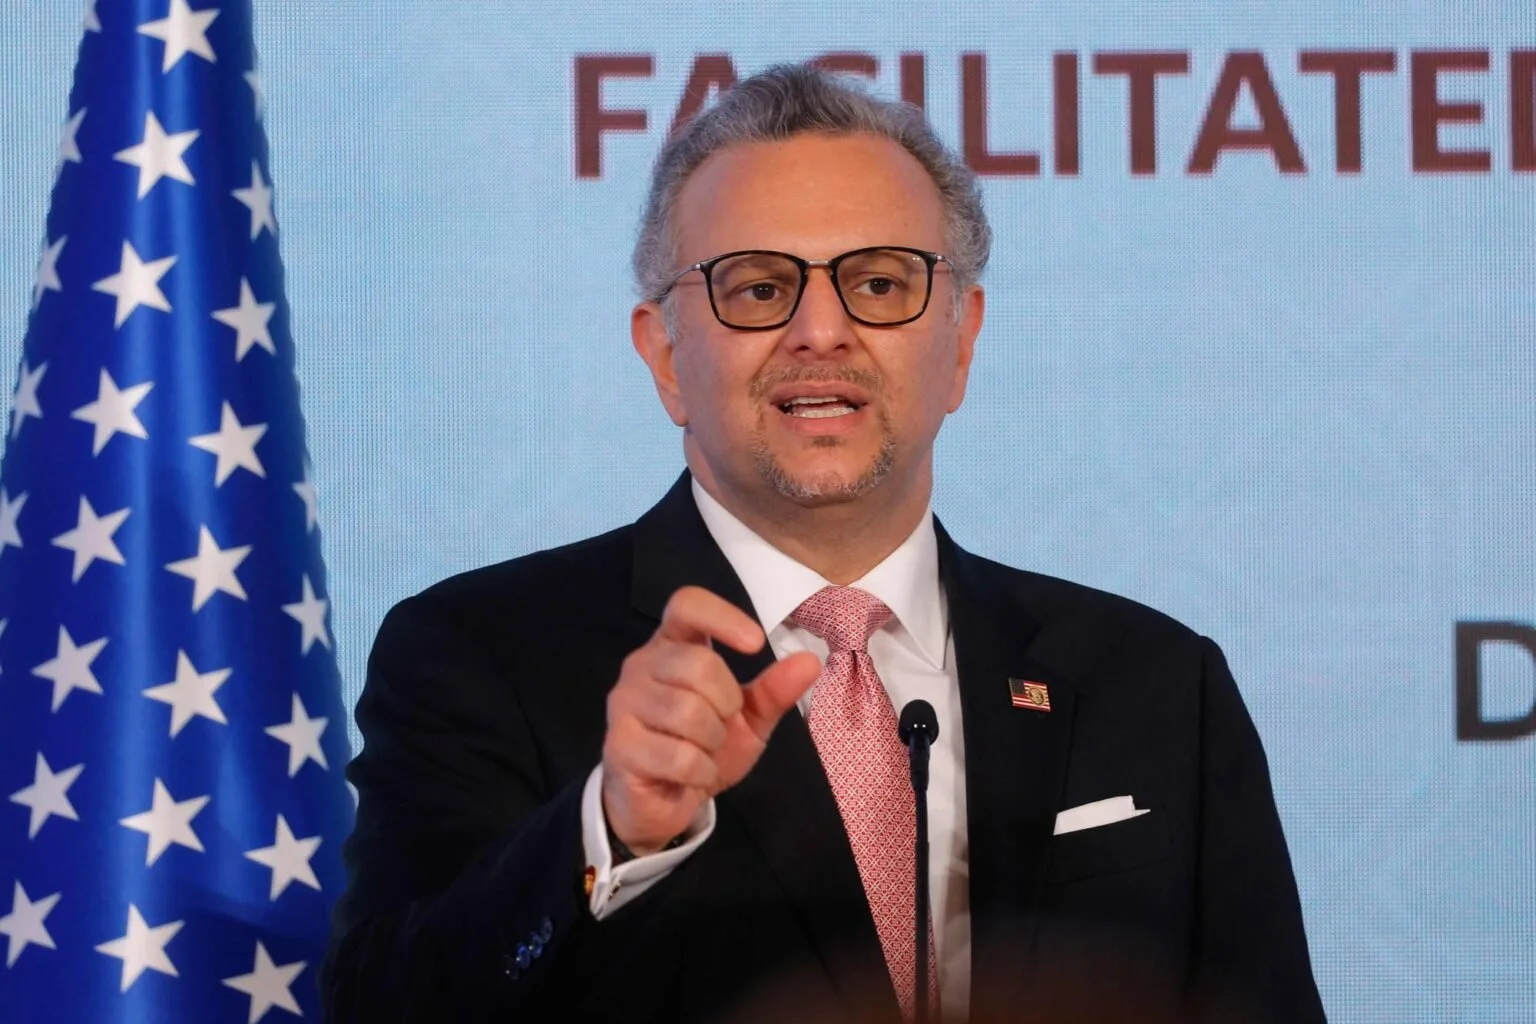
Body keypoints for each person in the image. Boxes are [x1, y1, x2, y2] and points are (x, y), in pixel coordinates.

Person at [320, 63, 1325, 1023]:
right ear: (665, 355)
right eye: (758, 288)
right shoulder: (481, 654)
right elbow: (384, 1007)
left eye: (879, 284)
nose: (821, 331)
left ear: (962, 341)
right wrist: (608, 829)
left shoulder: (1155, 684)